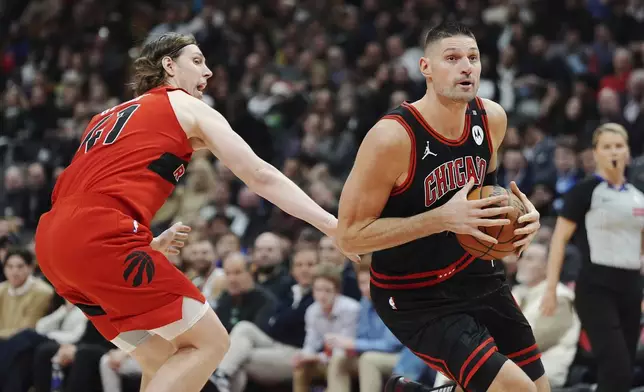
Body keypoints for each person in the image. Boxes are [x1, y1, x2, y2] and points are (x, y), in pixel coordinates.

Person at [34, 32, 355, 392]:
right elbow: (260, 175)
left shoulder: (104, 117)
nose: (210, 71)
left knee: (165, 356)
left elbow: (94, 191)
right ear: (169, 66)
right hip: (101, 235)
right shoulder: (185, 106)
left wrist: (144, 243)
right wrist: (332, 225)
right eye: (198, 61)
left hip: (53, 246)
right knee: (211, 343)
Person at [336, 22, 547, 392]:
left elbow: (488, 196)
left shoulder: (491, 118)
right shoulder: (392, 137)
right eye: (452, 58)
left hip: (477, 274)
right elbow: (350, 237)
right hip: (414, 294)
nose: (466, 66)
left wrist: (521, 219)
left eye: (473, 57)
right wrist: (440, 219)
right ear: (425, 68)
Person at [542, 123, 644, 392]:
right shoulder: (585, 191)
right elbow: (559, 240)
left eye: (619, 146)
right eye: (607, 146)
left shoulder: (638, 198)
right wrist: (550, 288)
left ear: (628, 152)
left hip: (632, 288)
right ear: (595, 153)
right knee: (616, 366)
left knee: (622, 372)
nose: (614, 151)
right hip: (596, 288)